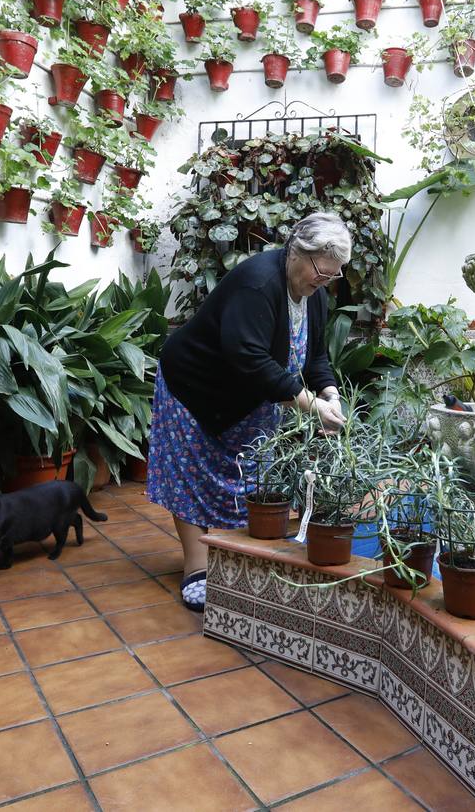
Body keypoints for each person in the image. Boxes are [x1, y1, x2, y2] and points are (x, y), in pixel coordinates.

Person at [148, 212, 350, 612]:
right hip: (196, 386)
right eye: (320, 272)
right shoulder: (257, 282)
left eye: (332, 276)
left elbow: (316, 356)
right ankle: (197, 567)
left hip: (249, 400)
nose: (323, 281)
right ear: (297, 251)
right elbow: (250, 359)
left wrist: (330, 394)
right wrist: (311, 408)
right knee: (191, 473)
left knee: (250, 476)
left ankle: (239, 557)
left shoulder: (315, 296)